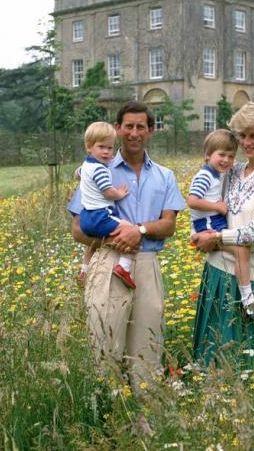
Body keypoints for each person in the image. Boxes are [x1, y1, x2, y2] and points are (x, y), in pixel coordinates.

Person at [67, 101, 185, 389]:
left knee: (147, 346)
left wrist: (140, 230)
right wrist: (114, 238)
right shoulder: (96, 168)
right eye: (128, 126)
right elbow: (77, 229)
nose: (134, 133)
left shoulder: (164, 176)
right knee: (105, 345)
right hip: (108, 261)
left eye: (140, 127)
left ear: (151, 131)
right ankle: (110, 418)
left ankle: (146, 420)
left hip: (147, 265)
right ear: (118, 129)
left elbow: (168, 224)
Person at [192, 102, 254, 370]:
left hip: (247, 277)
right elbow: (204, 197)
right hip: (215, 270)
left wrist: (216, 238)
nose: (246, 143)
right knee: (210, 359)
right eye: (243, 136)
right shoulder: (233, 171)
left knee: (241, 365)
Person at [187, 129, 254, 325]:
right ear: (207, 155)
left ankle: (247, 299)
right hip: (208, 225)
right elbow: (192, 201)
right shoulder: (205, 176)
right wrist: (217, 206)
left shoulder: (217, 175)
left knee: (241, 251)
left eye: (231, 156)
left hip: (214, 223)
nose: (226, 160)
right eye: (221, 155)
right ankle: (248, 302)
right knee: (241, 251)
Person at [77, 121, 136, 289]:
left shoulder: (86, 165)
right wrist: (120, 193)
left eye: (110, 148)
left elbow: (78, 173)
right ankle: (124, 267)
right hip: (100, 215)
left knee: (93, 244)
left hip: (86, 217)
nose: (106, 152)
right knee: (130, 230)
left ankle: (84, 270)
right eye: (101, 147)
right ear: (89, 147)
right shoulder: (100, 170)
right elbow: (107, 192)